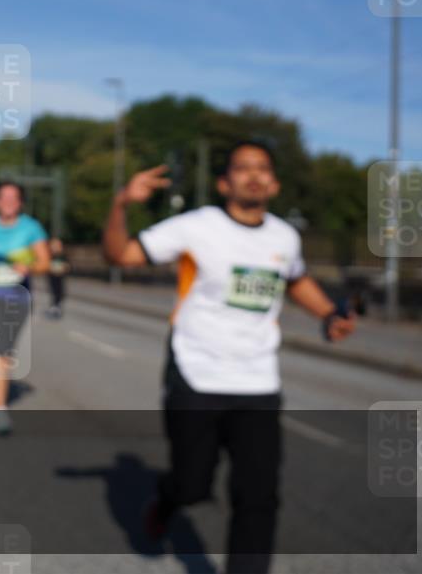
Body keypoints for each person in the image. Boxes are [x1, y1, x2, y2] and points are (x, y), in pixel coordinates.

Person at [103, 140, 356, 574]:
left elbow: (295, 280)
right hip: (196, 372)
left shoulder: (284, 236)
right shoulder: (196, 226)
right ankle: (168, 500)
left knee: (259, 496)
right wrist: (121, 204)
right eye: (243, 168)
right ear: (224, 182)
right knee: (191, 484)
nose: (254, 175)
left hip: (258, 381)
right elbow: (120, 255)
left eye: (263, 169)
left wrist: (329, 312)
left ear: (274, 184)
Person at [0, 181, 49, 435]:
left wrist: (29, 268)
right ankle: (0, 409)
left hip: (19, 297)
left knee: (6, 351)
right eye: (3, 197)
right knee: (0, 349)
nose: (8, 202)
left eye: (13, 198)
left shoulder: (31, 228)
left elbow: (44, 262)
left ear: (21, 202)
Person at [46, 238, 69, 319]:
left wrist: (62, 269)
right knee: (53, 291)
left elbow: (67, 266)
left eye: (56, 245)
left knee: (60, 291)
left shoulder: (62, 256)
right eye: (53, 245)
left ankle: (58, 306)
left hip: (60, 277)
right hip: (52, 276)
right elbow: (46, 265)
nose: (55, 247)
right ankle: (54, 306)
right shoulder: (50, 256)